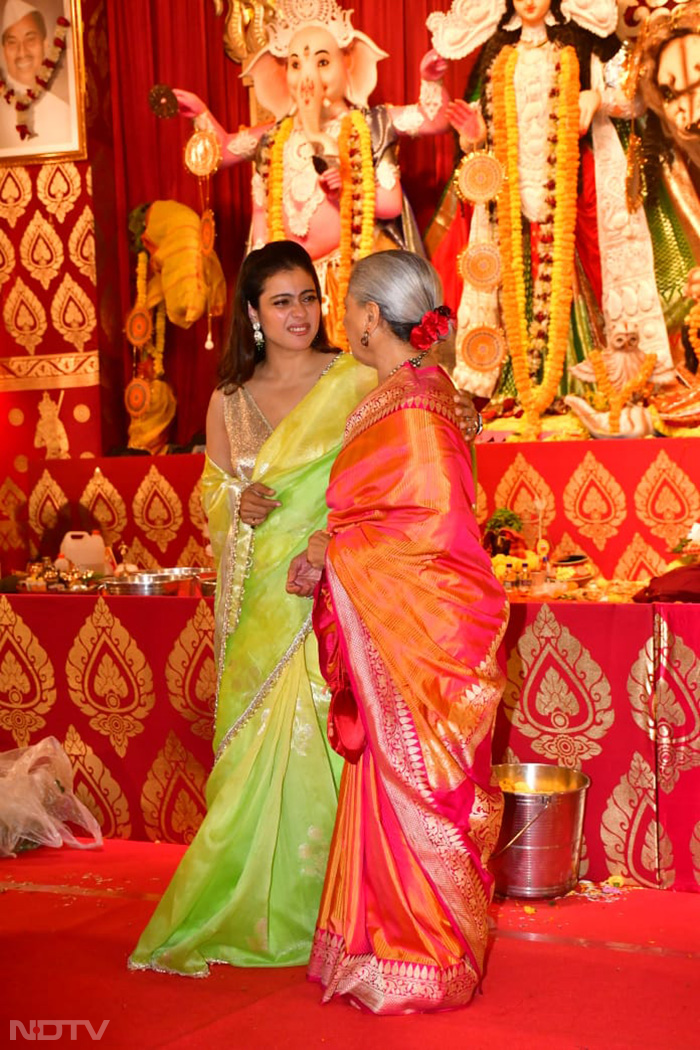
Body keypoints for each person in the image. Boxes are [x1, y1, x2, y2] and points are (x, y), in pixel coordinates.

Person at [129, 241, 481, 976]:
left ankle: (342, 903)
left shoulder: (357, 376)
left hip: (339, 588)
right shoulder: (228, 399)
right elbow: (213, 492)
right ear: (253, 315)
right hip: (261, 596)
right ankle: (248, 905)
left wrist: (327, 540)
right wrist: (240, 503)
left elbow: (396, 468)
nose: (301, 313)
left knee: (335, 734)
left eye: (310, 298)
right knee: (261, 751)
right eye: (282, 301)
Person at [287, 250, 508, 1013]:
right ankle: (377, 942)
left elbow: (435, 533)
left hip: (422, 633)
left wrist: (333, 551)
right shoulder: (409, 394)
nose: (342, 320)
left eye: (348, 306)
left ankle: (420, 954)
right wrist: (335, 548)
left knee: (411, 785)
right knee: (384, 783)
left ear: (374, 317)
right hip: (400, 623)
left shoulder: (413, 404)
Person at [427, 0, 684, 438]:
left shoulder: (585, 41)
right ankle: (517, 389)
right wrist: (475, 136)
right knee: (518, 282)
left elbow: (638, 94)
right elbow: (478, 128)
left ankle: (588, 384)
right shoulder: (497, 50)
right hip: (511, 198)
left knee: (579, 278)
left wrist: (598, 96)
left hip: (575, 186)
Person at [173, 0, 451, 345]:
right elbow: (223, 151)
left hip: (354, 275)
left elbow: (433, 121)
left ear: (349, 65)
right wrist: (200, 113)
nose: (308, 77)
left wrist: (430, 80)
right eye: (295, 64)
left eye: (322, 62)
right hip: (291, 288)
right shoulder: (274, 136)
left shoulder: (371, 125)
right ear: (280, 74)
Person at [0, 0, 71, 147]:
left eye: (30, 39)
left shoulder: (64, 113)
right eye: (12, 42)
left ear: (45, 44)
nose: (22, 52)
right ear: (3, 50)